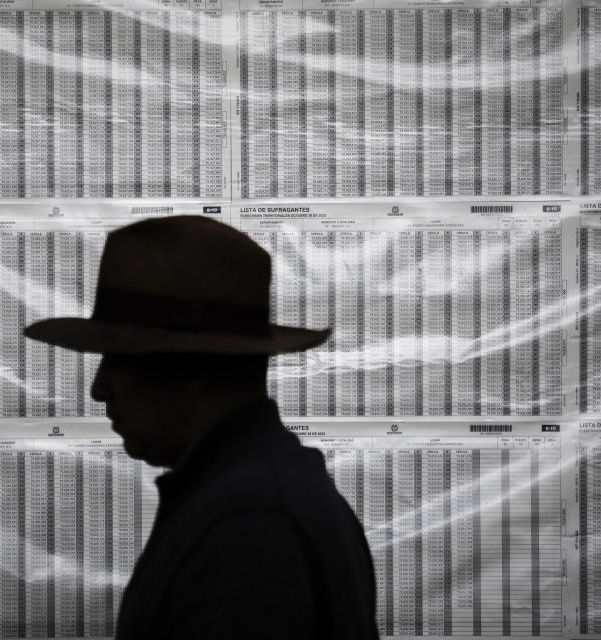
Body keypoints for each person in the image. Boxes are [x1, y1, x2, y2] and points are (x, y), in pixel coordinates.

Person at [24, 215, 379, 639]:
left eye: (119, 359)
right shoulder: (259, 493)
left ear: (192, 370)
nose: (99, 389)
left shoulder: (251, 525)